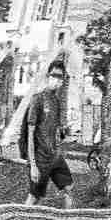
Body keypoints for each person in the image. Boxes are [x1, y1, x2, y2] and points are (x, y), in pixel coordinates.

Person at [20, 60, 74, 209]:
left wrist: (63, 132)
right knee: (34, 198)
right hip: (40, 159)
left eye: (60, 77)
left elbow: (55, 131)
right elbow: (30, 135)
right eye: (54, 75)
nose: (57, 80)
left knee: (68, 188)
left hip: (55, 157)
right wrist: (32, 165)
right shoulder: (37, 99)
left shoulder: (56, 102)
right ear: (47, 76)